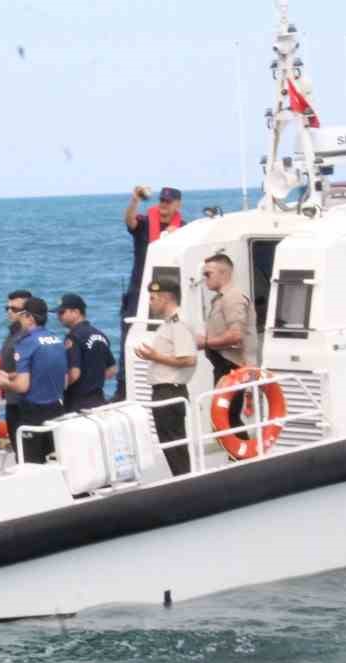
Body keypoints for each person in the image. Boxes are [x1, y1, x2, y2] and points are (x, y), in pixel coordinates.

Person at [119, 186, 184, 400]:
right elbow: (129, 221)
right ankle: (124, 386)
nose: (164, 205)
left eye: (169, 202)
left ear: (177, 204)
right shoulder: (146, 222)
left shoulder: (184, 228)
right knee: (130, 335)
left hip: (167, 291)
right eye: (162, 201)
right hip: (140, 289)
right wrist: (134, 199)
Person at [134, 277, 197, 477]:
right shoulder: (168, 324)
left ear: (166, 298)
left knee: (174, 442)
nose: (150, 303)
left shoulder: (178, 323)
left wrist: (155, 356)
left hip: (170, 390)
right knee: (168, 441)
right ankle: (182, 478)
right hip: (163, 391)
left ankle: (185, 480)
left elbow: (188, 359)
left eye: (153, 298)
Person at [0, 297, 68, 464]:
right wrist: (12, 376)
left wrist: (6, 383)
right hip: (57, 408)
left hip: (33, 412)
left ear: (30, 318)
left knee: (32, 463)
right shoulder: (56, 340)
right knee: (57, 459)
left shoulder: (26, 343)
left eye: (22, 315)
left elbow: (22, 386)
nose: (20, 319)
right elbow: (64, 380)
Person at [195, 253, 259, 386]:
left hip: (235, 369)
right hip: (225, 367)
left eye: (208, 274)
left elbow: (236, 336)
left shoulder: (232, 297)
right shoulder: (222, 298)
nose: (205, 278)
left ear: (223, 273)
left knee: (230, 406)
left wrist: (205, 342)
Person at [56, 293, 116, 413]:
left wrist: (56, 388)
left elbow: (74, 373)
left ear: (76, 312)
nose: (58, 316)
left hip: (78, 403)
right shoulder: (100, 335)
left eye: (62, 312)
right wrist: (92, 379)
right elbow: (112, 370)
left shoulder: (74, 337)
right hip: (98, 400)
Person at [0, 289, 32, 446]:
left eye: (15, 309)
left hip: (24, 403)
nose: (10, 312)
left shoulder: (27, 337)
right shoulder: (12, 334)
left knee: (26, 450)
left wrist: (5, 377)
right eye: (8, 308)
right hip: (12, 400)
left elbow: (31, 370)